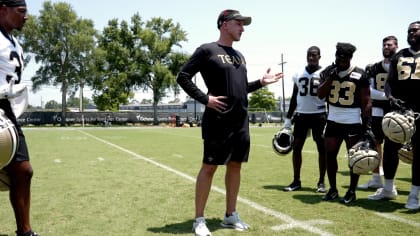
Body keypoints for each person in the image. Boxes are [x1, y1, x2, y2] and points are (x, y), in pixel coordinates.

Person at [176, 9, 283, 236]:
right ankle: (199, 220)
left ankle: (230, 215)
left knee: (235, 166)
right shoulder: (207, 50)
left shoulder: (239, 56)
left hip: (240, 122)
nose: (242, 28)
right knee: (210, 167)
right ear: (224, 24)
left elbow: (241, 88)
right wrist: (205, 99)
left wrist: (261, 83)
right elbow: (182, 76)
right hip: (217, 121)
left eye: (243, 25)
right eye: (239, 23)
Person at [0, 1, 39, 235]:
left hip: (7, 109)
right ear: (3, 9)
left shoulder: (14, 42)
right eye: (21, 12)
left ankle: (25, 232)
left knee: (23, 171)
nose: (26, 17)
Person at [317, 42, 372, 204]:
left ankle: (352, 190)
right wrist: (331, 77)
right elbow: (320, 94)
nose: (341, 60)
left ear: (350, 57)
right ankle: (333, 189)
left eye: (344, 57)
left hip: (352, 120)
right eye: (338, 56)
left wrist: (367, 125)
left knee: (354, 157)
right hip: (333, 119)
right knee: (330, 155)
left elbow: (366, 102)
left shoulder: (359, 74)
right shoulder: (328, 71)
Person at [381, 21, 420, 210]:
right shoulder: (399, 55)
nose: (411, 33)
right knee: (390, 148)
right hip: (400, 109)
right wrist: (390, 97)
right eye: (409, 31)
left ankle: (414, 195)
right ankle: (388, 188)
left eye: (415, 30)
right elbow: (389, 82)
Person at [282, 46, 327, 193]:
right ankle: (296, 181)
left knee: (322, 148)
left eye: (314, 55)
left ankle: (321, 182)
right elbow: (295, 97)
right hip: (301, 115)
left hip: (319, 115)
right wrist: (288, 118)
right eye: (309, 55)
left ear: (319, 56)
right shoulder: (298, 73)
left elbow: (330, 97)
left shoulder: (325, 73)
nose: (311, 58)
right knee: (297, 147)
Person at [358, 36, 398, 190]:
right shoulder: (374, 68)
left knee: (394, 146)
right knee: (375, 142)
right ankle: (376, 178)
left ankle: (390, 183)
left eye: (389, 44)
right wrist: (388, 96)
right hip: (378, 109)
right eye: (384, 45)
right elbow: (369, 90)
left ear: (396, 46)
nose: (386, 47)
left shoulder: (402, 65)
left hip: (397, 111)